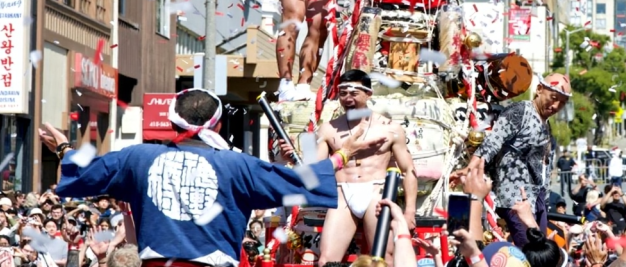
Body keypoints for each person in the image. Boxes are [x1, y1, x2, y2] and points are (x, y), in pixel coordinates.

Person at [38, 88, 385, 267]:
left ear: (173, 124)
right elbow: (300, 184)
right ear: (218, 124)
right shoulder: (237, 165)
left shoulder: (138, 158)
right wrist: (343, 153)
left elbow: (84, 173)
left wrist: (64, 146)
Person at [451, 73, 572, 248]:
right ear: (539, 89)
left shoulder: (546, 123)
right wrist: (471, 167)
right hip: (515, 197)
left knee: (539, 253)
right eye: (553, 98)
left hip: (537, 198)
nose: (556, 106)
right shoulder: (520, 111)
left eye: (562, 102)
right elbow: (493, 141)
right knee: (531, 250)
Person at [312, 70, 417, 267]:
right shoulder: (328, 129)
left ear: (369, 94)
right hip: (343, 192)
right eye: (343, 93)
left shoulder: (390, 128)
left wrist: (410, 212)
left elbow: (408, 169)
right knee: (326, 260)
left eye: (354, 93)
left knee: (384, 258)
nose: (347, 98)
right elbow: (316, 169)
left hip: (376, 192)